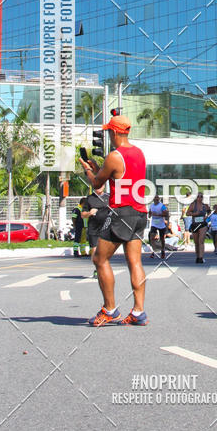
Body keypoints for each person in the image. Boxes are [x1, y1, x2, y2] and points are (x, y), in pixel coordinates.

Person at [80, 114, 148, 327]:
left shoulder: (114, 156)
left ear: (116, 132)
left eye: (110, 131)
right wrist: (99, 169)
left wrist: (88, 169)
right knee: (134, 261)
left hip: (122, 213)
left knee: (100, 259)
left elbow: (97, 184)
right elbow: (117, 176)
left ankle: (109, 309)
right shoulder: (139, 153)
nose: (108, 134)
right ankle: (138, 312)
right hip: (139, 212)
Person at [81, 191, 110, 278]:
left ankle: (103, 267)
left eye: (101, 184)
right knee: (94, 249)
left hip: (106, 227)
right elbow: (83, 214)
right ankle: (97, 268)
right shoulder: (89, 198)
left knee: (105, 249)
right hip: (93, 227)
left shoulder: (108, 197)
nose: (99, 187)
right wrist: (90, 213)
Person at [187, 192, 210, 263]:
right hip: (195, 224)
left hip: (202, 224)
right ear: (196, 198)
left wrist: (206, 217)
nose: (200, 198)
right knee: (196, 242)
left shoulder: (205, 206)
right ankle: (197, 256)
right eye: (198, 197)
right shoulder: (193, 205)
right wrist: (194, 214)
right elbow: (187, 213)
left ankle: (201, 257)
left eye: (201, 196)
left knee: (201, 241)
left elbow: (209, 212)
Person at [148, 193, 169, 260]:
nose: (156, 199)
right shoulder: (151, 206)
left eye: (157, 198)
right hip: (154, 224)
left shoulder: (161, 206)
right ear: (153, 199)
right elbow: (149, 213)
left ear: (159, 199)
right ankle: (153, 251)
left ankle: (162, 250)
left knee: (162, 239)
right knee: (152, 237)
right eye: (155, 198)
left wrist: (158, 214)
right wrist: (150, 215)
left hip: (161, 224)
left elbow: (166, 214)